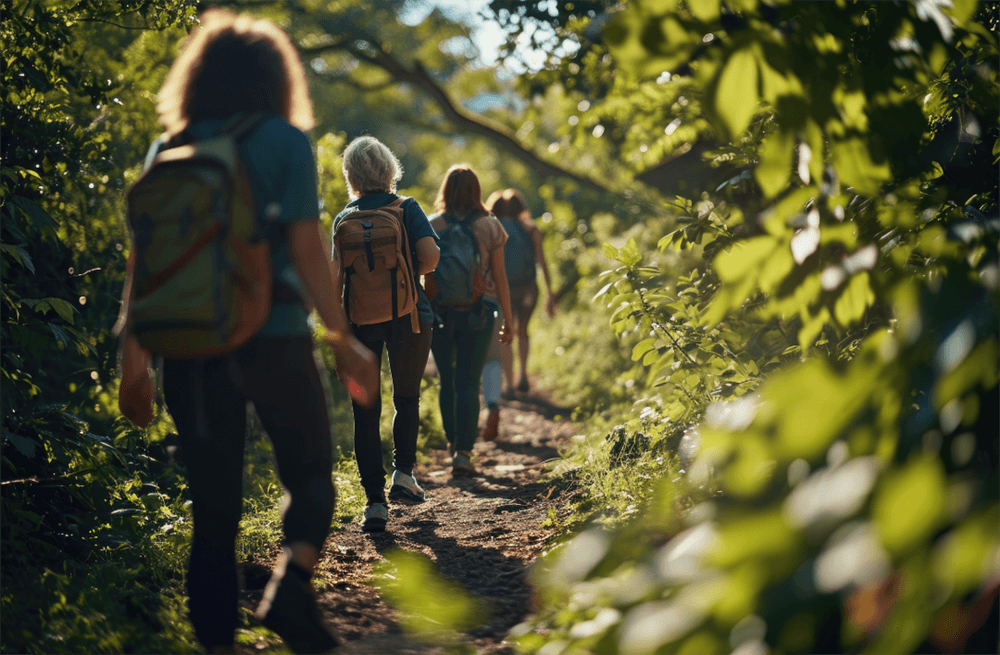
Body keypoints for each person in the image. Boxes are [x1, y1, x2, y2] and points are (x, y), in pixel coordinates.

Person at [125, 10, 374, 654]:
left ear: (197, 77)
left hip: (188, 347)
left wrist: (133, 361)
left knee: (213, 510)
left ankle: (215, 645)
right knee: (313, 478)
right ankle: (290, 591)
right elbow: (306, 246)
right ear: (275, 77)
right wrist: (342, 336)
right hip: (275, 337)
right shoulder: (284, 141)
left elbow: (145, 263)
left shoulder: (170, 147)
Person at [332, 136, 440, 532]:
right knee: (406, 397)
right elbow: (430, 258)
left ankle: (374, 503)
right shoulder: (406, 207)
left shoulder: (345, 216)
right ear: (389, 169)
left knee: (365, 410)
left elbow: (334, 279)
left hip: (360, 322)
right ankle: (404, 475)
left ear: (353, 176)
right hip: (409, 317)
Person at [427, 166, 514, 476]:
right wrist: (509, 318)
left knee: (447, 382)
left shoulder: (431, 225)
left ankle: (452, 443)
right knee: (467, 382)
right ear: (477, 191)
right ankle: (464, 453)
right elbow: (500, 277)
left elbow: (421, 276)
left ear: (446, 191)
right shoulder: (491, 226)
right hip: (479, 314)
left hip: (439, 315)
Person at [478, 189, 556, 440]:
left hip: (503, 289)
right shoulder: (531, 229)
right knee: (523, 330)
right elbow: (542, 262)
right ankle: (523, 373)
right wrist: (550, 294)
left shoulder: (493, 227)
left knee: (505, 332)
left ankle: (509, 384)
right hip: (527, 287)